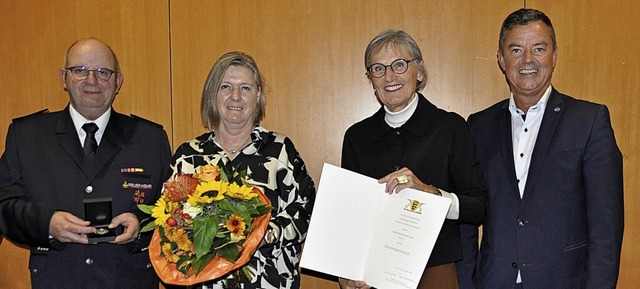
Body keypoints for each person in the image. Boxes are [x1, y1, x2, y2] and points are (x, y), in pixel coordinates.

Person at [463, 8, 624, 289]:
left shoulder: (589, 121)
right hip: (494, 281)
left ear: (554, 56)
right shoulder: (478, 126)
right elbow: (468, 216)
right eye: (515, 50)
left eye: (538, 48)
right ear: (501, 59)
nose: (527, 60)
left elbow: (606, 229)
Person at [0, 38, 172, 288]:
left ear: (118, 83)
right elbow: (4, 206)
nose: (92, 80)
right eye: (80, 70)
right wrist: (47, 224)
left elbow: (173, 210)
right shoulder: (26, 136)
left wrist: (140, 225)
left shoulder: (150, 139)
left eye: (103, 72)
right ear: (64, 78)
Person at [339, 29, 487, 289]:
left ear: (418, 71)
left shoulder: (450, 127)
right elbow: (351, 217)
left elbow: (478, 207)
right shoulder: (357, 137)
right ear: (370, 79)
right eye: (378, 68)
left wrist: (431, 194)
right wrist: (348, 269)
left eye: (399, 64)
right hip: (374, 276)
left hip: (435, 270)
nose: (389, 76)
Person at [166, 51, 315, 289]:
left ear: (257, 96)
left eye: (245, 88)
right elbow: (169, 221)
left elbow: (307, 208)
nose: (235, 96)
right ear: (212, 95)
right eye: (225, 87)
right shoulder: (188, 156)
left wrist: (268, 233)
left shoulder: (279, 151)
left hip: (270, 281)